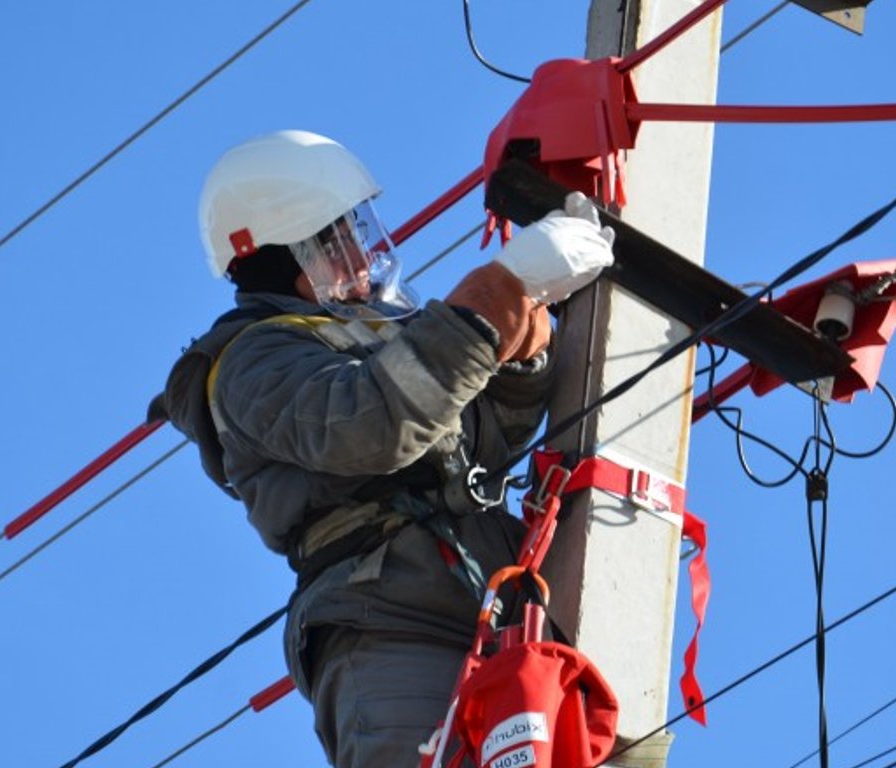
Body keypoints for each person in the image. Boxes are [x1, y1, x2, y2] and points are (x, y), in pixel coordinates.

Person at [155, 129, 614, 766]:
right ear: (292, 253)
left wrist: (519, 353)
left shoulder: (367, 335)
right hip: (389, 625)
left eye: (358, 231)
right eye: (338, 239)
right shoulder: (251, 361)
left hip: (494, 613)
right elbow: (372, 423)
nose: (362, 256)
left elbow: (472, 440)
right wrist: (492, 300)